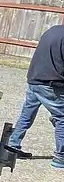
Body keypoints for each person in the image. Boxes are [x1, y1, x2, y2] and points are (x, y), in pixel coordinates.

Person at [7, 23, 64, 168]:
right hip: (51, 84)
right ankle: (60, 157)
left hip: (34, 79)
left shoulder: (52, 31)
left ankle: (13, 147)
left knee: (26, 115)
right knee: (62, 118)